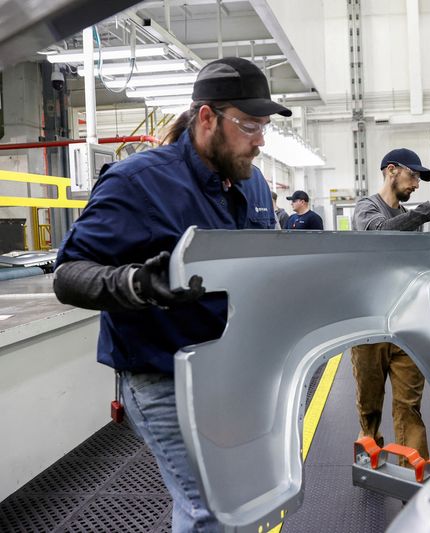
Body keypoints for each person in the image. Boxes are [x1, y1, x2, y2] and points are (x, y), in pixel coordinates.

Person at [52, 57, 291, 532]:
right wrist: (136, 284)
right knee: (211, 510)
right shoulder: (139, 182)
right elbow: (68, 274)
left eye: (263, 127)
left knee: (239, 501)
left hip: (232, 372)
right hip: (163, 376)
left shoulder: (253, 181)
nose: (260, 141)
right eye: (249, 125)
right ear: (207, 118)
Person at [351, 148, 430, 462]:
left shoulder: (407, 217)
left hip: (405, 323)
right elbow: (380, 234)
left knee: (409, 405)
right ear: (391, 170)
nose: (416, 184)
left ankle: (413, 474)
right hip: (370, 325)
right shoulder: (365, 209)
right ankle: (369, 459)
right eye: (412, 175)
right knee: (369, 406)